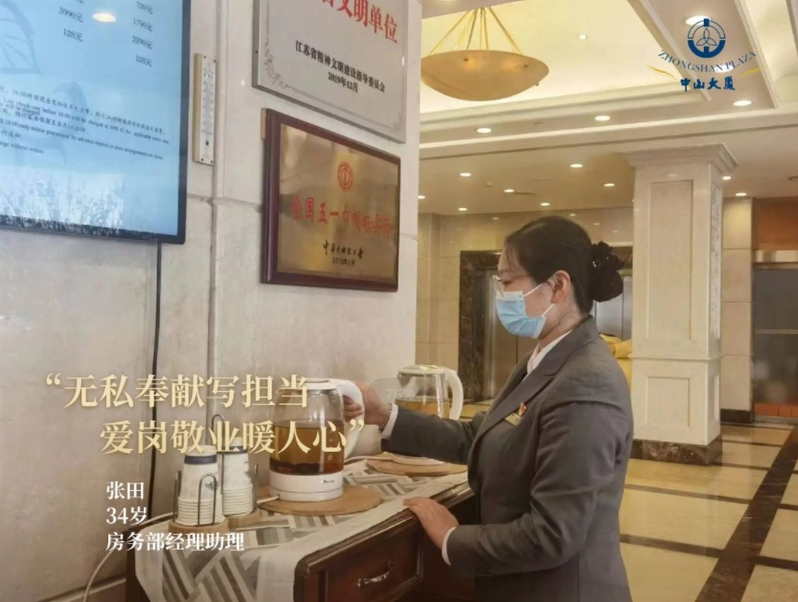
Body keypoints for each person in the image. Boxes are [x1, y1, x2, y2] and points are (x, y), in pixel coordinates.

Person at [345, 216, 633, 602]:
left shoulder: (586, 383)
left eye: (508, 281)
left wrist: (452, 537)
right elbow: (479, 436)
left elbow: (553, 534)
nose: (501, 295)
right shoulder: (543, 359)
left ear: (558, 286)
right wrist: (384, 415)